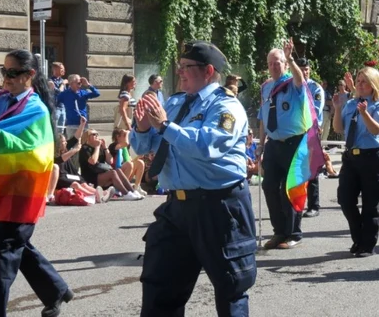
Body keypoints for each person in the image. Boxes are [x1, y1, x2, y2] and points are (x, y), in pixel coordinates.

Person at [130, 40, 256, 316]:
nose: (181, 71)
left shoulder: (226, 106)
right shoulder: (175, 104)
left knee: (231, 288)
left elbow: (207, 146)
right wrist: (142, 129)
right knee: (159, 287)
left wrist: (164, 126)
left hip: (218, 207)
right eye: (180, 66)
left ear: (208, 71)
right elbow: (144, 148)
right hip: (177, 208)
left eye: (187, 67)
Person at [0, 49, 73, 316]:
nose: (6, 78)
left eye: (13, 73)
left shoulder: (37, 109)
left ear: (29, 75)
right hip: (1, 185)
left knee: (3, 254)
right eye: (4, 71)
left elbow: (40, 154)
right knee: (18, 245)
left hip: (24, 191)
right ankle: (56, 290)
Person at [256, 39, 309, 250]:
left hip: (293, 144)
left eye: (278, 62)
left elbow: (299, 78)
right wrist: (261, 144)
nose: (274, 66)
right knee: (269, 186)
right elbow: (263, 118)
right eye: (270, 63)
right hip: (273, 145)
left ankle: (293, 233)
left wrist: (290, 58)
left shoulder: (293, 83)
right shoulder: (266, 87)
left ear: (284, 65)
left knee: (291, 189)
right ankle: (279, 231)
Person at [332, 68, 379, 257]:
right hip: (351, 157)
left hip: (371, 156)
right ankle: (358, 237)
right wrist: (338, 107)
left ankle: (367, 244)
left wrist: (365, 113)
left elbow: (376, 130)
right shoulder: (350, 104)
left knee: (370, 204)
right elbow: (339, 128)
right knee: (345, 199)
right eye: (358, 80)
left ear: (373, 85)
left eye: (364, 81)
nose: (360, 84)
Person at [79, 128, 143, 200]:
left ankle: (132, 191)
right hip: (91, 177)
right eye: (93, 134)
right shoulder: (84, 148)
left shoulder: (100, 148)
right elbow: (93, 161)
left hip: (101, 173)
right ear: (87, 137)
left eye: (97, 134)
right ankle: (126, 193)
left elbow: (110, 161)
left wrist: (105, 147)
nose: (96, 136)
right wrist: (97, 147)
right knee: (112, 173)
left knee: (118, 170)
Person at [296, 57, 325, 218]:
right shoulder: (291, 86)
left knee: (312, 170)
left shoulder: (315, 88)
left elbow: (315, 110)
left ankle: (314, 205)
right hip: (295, 132)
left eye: (306, 69)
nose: (304, 72)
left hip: (310, 132)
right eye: (301, 69)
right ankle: (297, 203)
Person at [109, 128, 147, 195]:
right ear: (117, 136)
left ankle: (136, 187)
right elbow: (126, 143)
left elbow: (130, 161)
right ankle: (122, 187)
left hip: (126, 171)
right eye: (124, 135)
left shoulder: (125, 148)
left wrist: (138, 157)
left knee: (140, 162)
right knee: (129, 164)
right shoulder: (113, 146)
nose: (126, 136)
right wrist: (127, 133)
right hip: (117, 174)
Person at [51, 62, 68, 134]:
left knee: (61, 130)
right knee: (54, 128)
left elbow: (65, 94)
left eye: (64, 69)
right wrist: (63, 84)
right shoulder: (50, 81)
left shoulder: (62, 80)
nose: (63, 70)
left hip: (63, 107)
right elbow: (58, 92)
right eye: (61, 69)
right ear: (55, 69)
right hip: (55, 107)